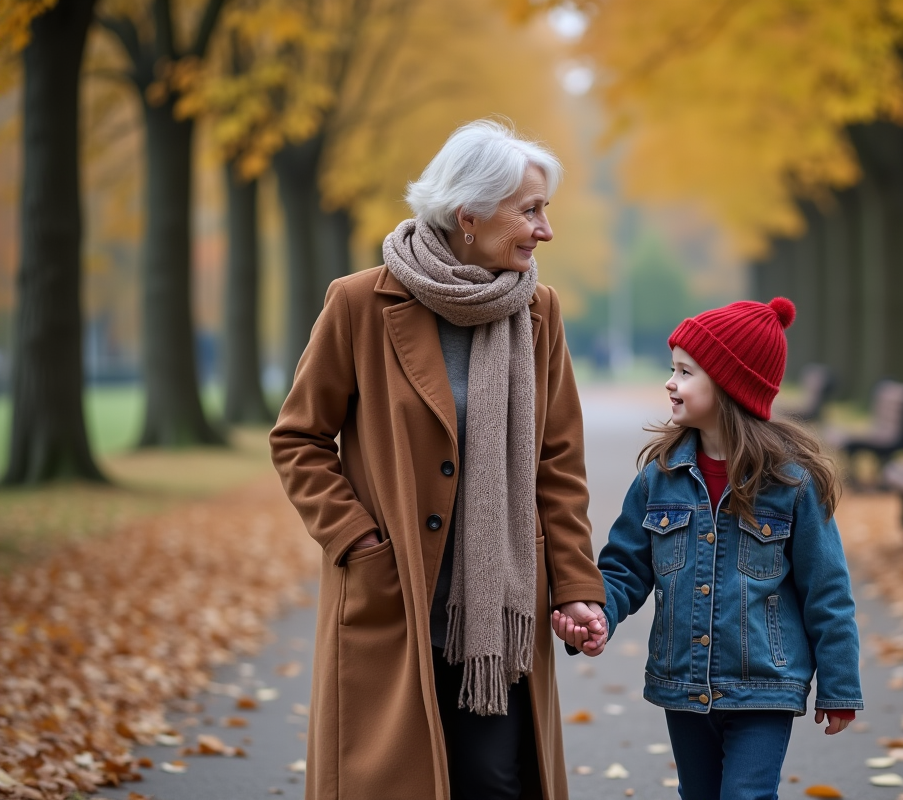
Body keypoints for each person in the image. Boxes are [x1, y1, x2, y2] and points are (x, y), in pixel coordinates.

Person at [271, 119, 606, 800]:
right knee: (395, 783)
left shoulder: (539, 312)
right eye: (531, 210)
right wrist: (357, 538)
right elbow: (299, 439)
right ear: (470, 216)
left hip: (499, 620)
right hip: (394, 598)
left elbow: (559, 464)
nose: (545, 230)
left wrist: (575, 585)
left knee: (497, 781)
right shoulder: (359, 303)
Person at [554, 297, 862, 800]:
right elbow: (626, 567)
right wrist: (598, 611)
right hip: (683, 683)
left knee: (746, 795)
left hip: (764, 686)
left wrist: (839, 685)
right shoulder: (660, 477)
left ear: (729, 385)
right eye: (672, 369)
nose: (671, 382)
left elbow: (827, 592)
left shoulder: (791, 485)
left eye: (686, 371)